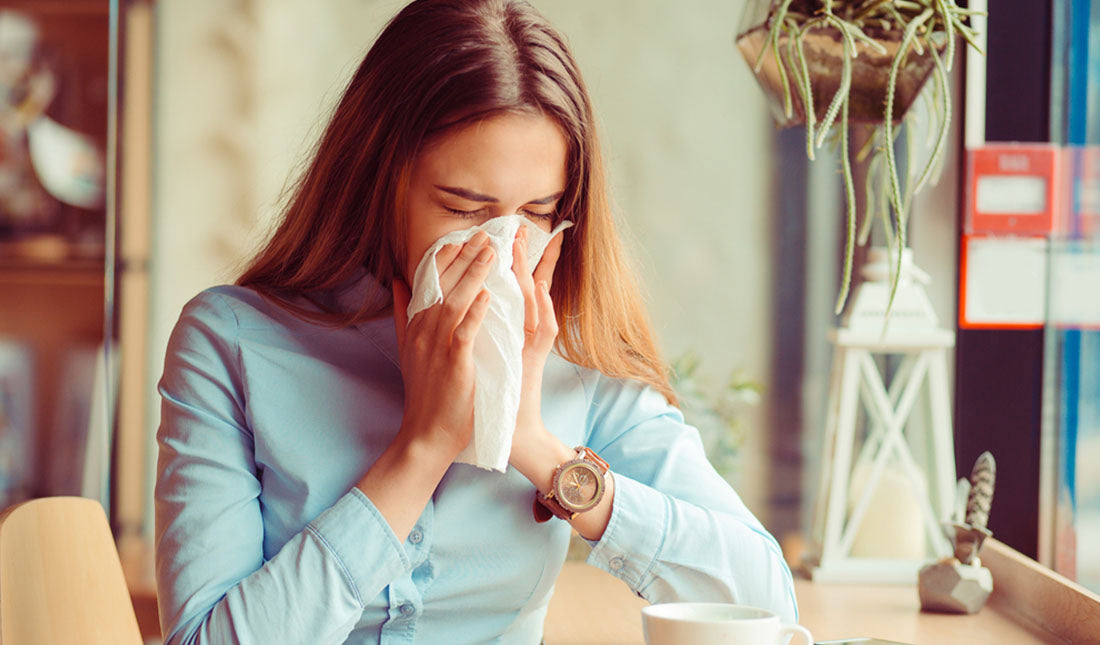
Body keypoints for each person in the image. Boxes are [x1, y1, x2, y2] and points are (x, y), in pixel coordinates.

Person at [153, 0, 798, 643]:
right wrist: (422, 448)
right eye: (464, 209)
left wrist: (532, 443)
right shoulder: (231, 343)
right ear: (379, 183)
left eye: (536, 213)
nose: (500, 250)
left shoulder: (575, 353)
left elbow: (765, 600)